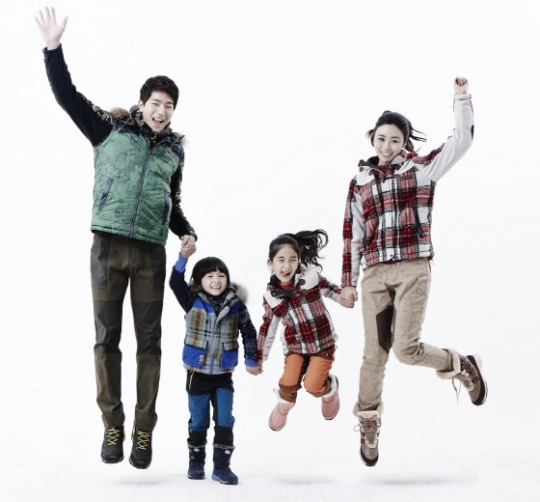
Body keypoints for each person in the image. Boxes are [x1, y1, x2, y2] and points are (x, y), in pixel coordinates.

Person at [35, 7, 197, 469]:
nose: (162, 112)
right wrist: (52, 49)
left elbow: (171, 202)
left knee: (150, 343)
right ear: (142, 103)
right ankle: (113, 424)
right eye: (156, 103)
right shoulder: (108, 129)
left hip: (150, 254)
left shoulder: (174, 152)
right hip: (107, 249)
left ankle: (143, 431)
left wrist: (186, 231)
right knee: (107, 339)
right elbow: (67, 96)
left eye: (169, 106)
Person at [340, 77, 487, 467]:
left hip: (412, 270)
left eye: (395, 140)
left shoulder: (421, 171)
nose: (387, 146)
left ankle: (461, 364)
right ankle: (368, 420)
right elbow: (353, 235)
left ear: (405, 143)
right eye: (381, 139)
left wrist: (461, 98)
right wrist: (348, 283)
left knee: (406, 350)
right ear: (372, 138)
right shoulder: (359, 181)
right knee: (374, 355)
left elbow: (462, 140)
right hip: (375, 276)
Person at [169, 240, 261, 485]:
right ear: (199, 281)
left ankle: (222, 467)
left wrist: (251, 359)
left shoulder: (236, 305)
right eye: (210, 276)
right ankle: (196, 463)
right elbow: (175, 282)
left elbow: (249, 332)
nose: (216, 280)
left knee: (225, 420)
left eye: (221, 276)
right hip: (197, 373)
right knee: (199, 421)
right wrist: (183, 257)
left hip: (223, 375)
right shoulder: (191, 300)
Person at [258, 230, 353, 431]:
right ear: (271, 263)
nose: (286, 266)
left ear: (298, 261)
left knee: (313, 386)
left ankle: (330, 390)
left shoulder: (310, 278)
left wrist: (343, 298)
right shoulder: (272, 297)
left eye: (292, 259)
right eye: (281, 260)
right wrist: (259, 356)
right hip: (296, 348)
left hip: (322, 344)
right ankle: (285, 405)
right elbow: (268, 328)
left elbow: (330, 289)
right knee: (287, 385)